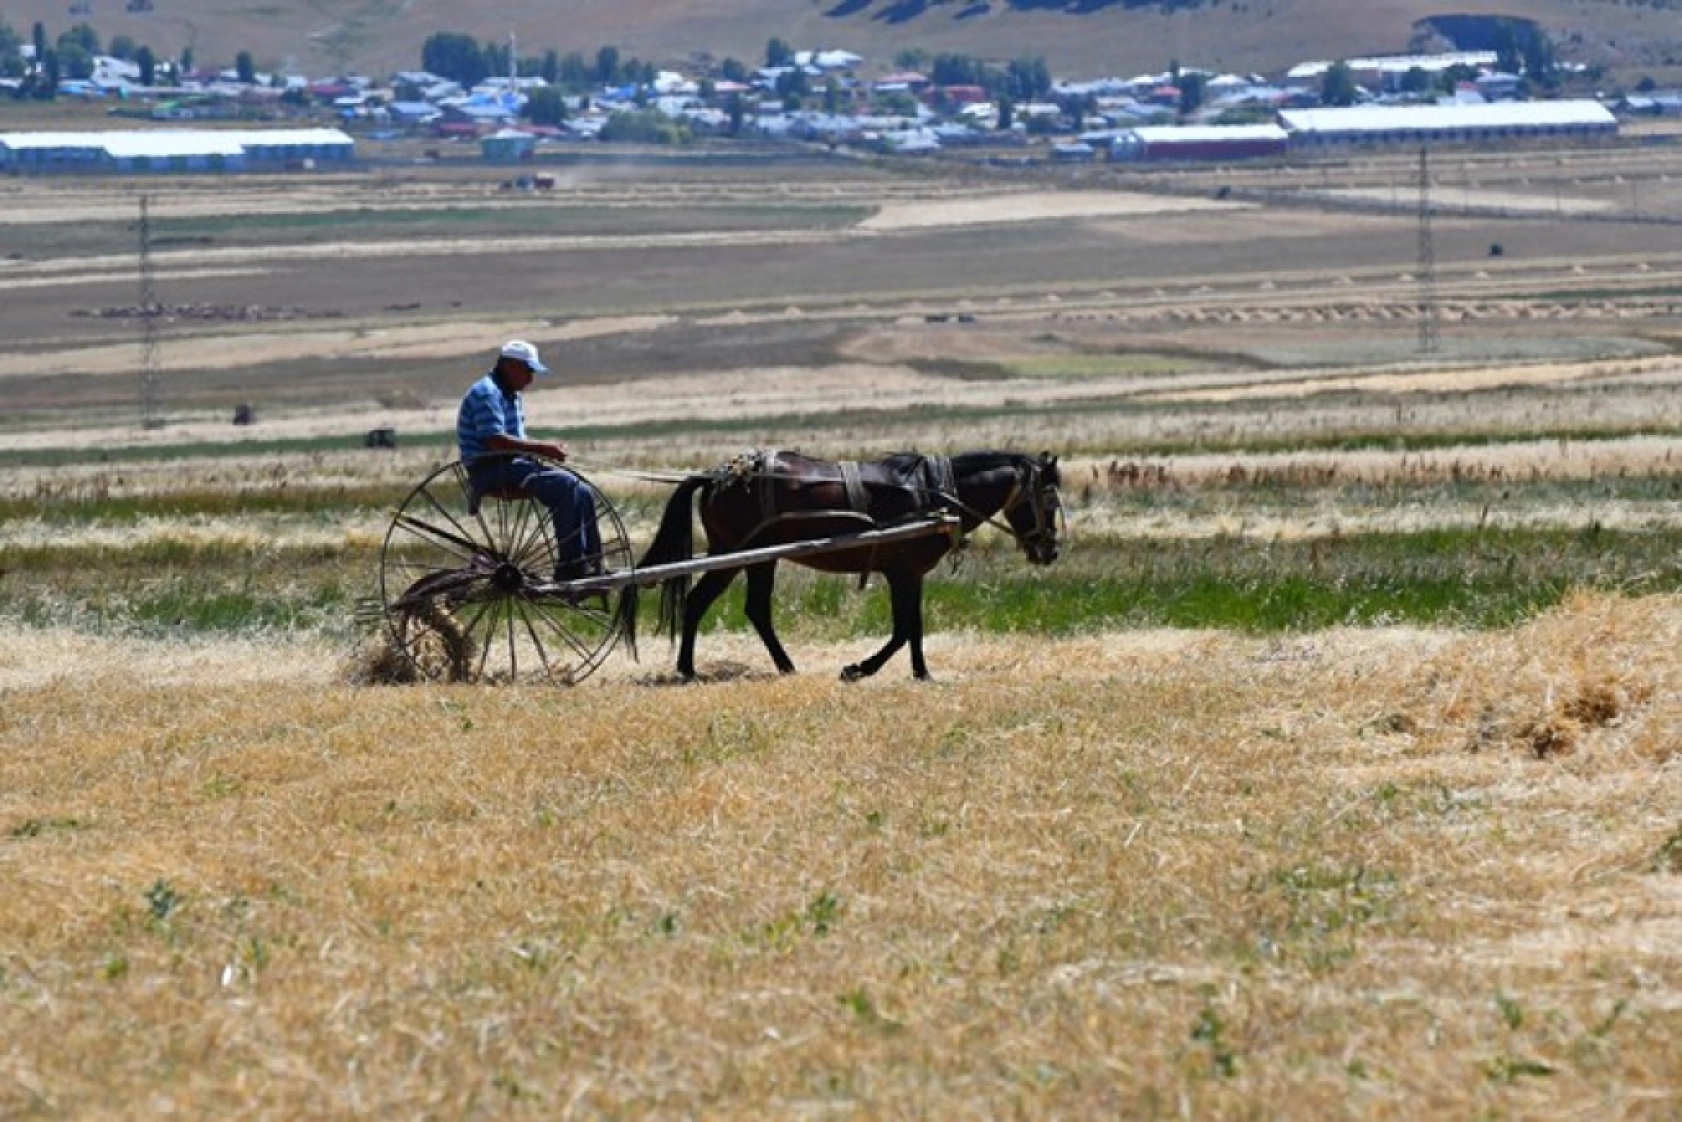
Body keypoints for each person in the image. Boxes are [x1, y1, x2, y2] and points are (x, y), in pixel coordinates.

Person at [457, 339, 601, 582]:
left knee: (583, 490)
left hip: (512, 464)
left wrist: (542, 450)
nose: (531, 378)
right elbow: (495, 441)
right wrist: (542, 448)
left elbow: (514, 440)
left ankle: (592, 562)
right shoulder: (487, 393)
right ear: (510, 366)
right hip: (489, 469)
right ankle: (570, 567)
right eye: (528, 371)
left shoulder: (511, 394)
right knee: (565, 487)